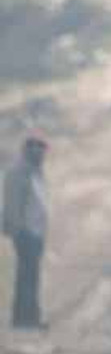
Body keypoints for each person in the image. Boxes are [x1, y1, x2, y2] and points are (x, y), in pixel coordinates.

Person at [3, 134, 48, 328]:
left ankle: (27, 317)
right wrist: (17, 229)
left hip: (35, 231)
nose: (41, 153)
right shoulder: (19, 172)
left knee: (31, 275)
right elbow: (12, 204)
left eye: (42, 149)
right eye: (37, 149)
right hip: (25, 232)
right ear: (28, 150)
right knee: (27, 276)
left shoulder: (35, 171)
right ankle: (25, 320)